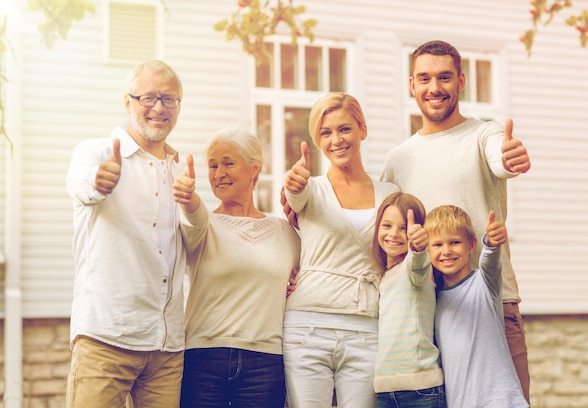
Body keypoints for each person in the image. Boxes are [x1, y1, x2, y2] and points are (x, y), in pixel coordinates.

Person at [380, 40, 532, 403]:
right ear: (411, 85)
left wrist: (510, 158)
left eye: (445, 77)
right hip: (424, 314)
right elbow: (381, 229)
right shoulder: (398, 158)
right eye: (425, 78)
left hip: (491, 304)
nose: (435, 88)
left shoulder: (485, 135)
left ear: (461, 81)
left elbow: (500, 158)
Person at [66, 60, 186, 407]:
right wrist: (98, 182)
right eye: (148, 97)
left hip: (166, 348)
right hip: (107, 337)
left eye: (169, 99)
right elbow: (81, 184)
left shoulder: (180, 170)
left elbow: (198, 244)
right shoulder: (96, 153)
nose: (159, 108)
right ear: (127, 102)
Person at [282, 92, 399, 408]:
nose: (336, 140)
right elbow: (294, 195)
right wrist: (293, 184)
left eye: (344, 129)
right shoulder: (309, 189)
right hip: (307, 327)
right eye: (325, 132)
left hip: (367, 327)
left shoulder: (391, 194)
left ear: (363, 129)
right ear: (317, 141)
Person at [174, 128, 300, 408]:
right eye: (213, 165)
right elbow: (193, 218)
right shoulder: (204, 225)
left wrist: (296, 287)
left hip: (265, 363)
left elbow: (310, 275)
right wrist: (188, 200)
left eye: (228, 163)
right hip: (203, 359)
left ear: (255, 169)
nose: (219, 173)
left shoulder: (284, 232)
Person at [424, 205, 528, 408]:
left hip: (500, 400)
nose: (447, 251)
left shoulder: (485, 283)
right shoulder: (433, 298)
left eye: (455, 242)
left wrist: (491, 243)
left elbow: (490, 262)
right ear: (428, 250)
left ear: (471, 245)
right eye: (437, 245)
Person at [371, 192, 446, 408]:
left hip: (420, 390)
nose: (394, 234)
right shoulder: (385, 277)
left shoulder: (416, 270)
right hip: (386, 390)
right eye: (387, 226)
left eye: (403, 228)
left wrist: (419, 247)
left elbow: (418, 262)